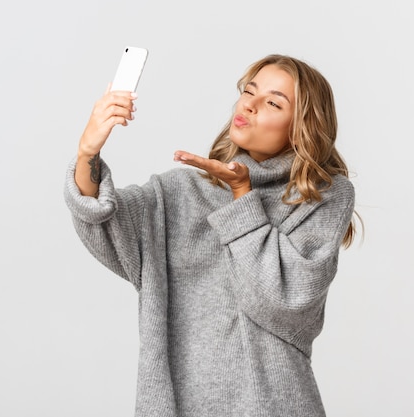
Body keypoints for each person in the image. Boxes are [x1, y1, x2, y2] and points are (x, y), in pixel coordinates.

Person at [64, 53, 358, 417]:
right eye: (249, 92)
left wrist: (241, 197)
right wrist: (87, 152)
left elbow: (285, 302)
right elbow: (102, 222)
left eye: (271, 102)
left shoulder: (321, 196)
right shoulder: (180, 192)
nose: (249, 105)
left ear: (301, 127)